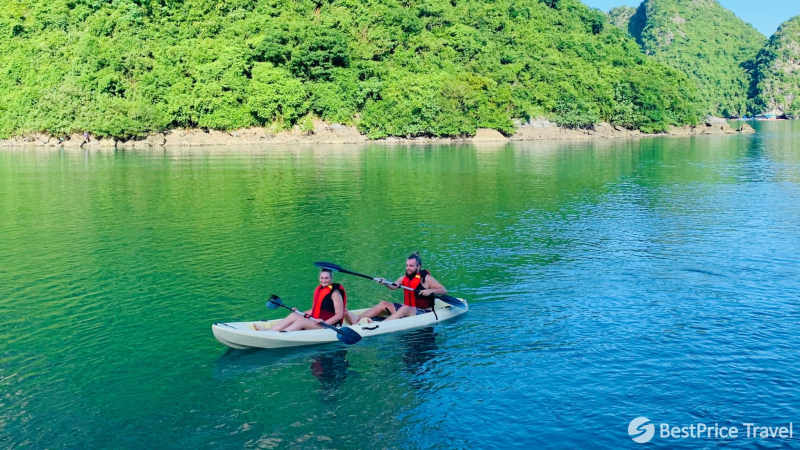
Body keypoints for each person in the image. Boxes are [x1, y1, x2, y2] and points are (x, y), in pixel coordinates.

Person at [347, 252, 447, 323]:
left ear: (419, 267)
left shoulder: (426, 279)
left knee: (405, 308)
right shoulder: (404, 278)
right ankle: (357, 319)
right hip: (408, 308)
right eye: (407, 265)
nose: (408, 268)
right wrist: (385, 282)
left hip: (424, 312)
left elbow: (443, 290)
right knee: (383, 304)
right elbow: (393, 286)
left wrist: (430, 290)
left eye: (411, 266)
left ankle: (381, 326)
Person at [257, 269, 347, 331]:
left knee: (301, 321)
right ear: (319, 278)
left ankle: (281, 334)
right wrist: (300, 313)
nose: (324, 280)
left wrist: (325, 322)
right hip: (317, 320)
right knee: (294, 315)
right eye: (322, 278)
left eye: (326, 278)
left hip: (328, 325)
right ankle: (269, 331)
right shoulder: (320, 290)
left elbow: (339, 315)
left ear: (331, 279)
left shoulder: (335, 294)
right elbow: (314, 310)